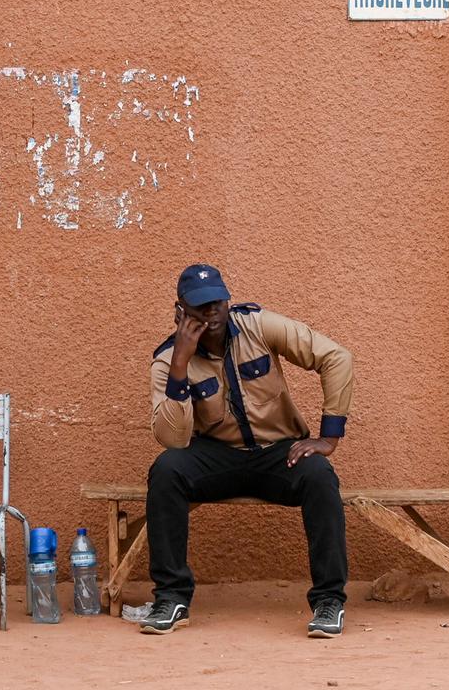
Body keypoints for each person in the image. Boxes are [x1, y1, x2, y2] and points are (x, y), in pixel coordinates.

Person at [142, 264, 353, 638]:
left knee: (319, 475)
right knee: (167, 469)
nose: (212, 313)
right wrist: (180, 363)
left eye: (218, 302)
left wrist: (328, 437)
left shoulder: (258, 325)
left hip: (278, 453)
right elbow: (173, 439)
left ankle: (328, 601)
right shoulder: (167, 360)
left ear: (227, 299)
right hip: (217, 457)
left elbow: (336, 357)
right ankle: (171, 598)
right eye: (201, 307)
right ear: (180, 312)